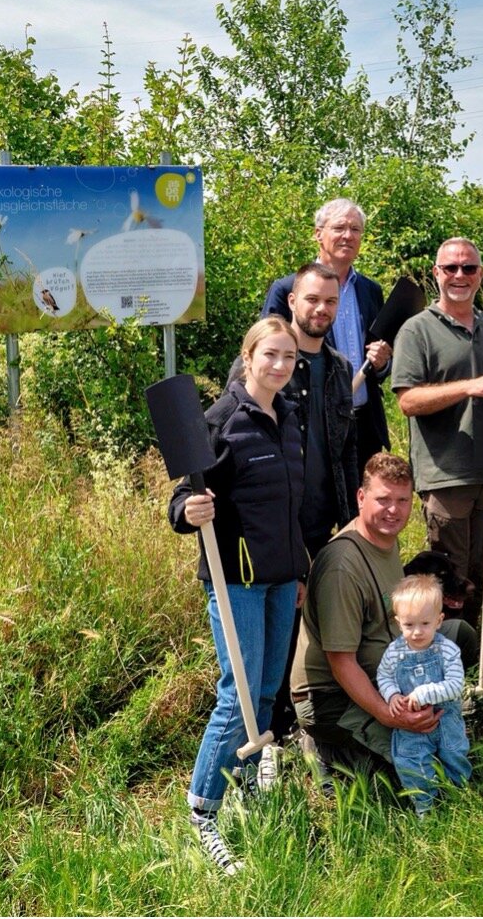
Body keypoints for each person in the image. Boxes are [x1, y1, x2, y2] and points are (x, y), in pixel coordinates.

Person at [168, 316, 307, 875]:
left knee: (269, 690)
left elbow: (292, 504)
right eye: (269, 355)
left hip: (280, 579)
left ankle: (248, 784)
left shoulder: (288, 418)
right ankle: (203, 811)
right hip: (237, 584)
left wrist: (298, 569)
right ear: (247, 358)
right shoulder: (220, 422)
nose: (279, 365)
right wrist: (188, 511)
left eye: (289, 358)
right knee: (240, 695)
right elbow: (183, 500)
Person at [230, 262, 358, 747]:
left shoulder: (341, 368)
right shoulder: (267, 364)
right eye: (312, 300)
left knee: (312, 632)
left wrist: (351, 524)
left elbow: (344, 449)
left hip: (326, 523)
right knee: (267, 646)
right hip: (273, 531)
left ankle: (302, 729)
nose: (321, 309)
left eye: (330, 302)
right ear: (292, 302)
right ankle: (263, 737)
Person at [289, 453, 478, 782]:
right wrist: (391, 718)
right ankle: (323, 748)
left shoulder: (385, 539)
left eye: (402, 500)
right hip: (331, 696)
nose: (394, 510)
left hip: (389, 665)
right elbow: (340, 661)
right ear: (361, 497)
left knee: (458, 634)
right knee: (424, 774)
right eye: (383, 499)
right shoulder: (342, 566)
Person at [392, 238, 483, 621]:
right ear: (436, 273)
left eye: (468, 268)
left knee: (480, 578)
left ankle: (476, 658)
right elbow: (408, 400)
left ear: (480, 274)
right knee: (449, 579)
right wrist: (469, 386)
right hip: (446, 475)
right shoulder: (417, 330)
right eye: (450, 268)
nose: (459, 275)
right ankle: (447, 663)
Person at [261, 198, 391, 480]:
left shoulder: (370, 290)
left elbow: (380, 363)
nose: (348, 235)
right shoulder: (287, 289)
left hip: (364, 423)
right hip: (314, 424)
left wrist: (382, 363)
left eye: (355, 229)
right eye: (340, 227)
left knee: (362, 513)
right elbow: (267, 352)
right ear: (318, 233)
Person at [376, 574, 470, 814]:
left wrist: (425, 692)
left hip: (445, 718)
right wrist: (392, 695)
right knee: (412, 763)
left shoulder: (447, 650)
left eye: (425, 624)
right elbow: (384, 677)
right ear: (399, 623)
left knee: (454, 755)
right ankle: (424, 807)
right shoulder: (394, 652)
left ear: (439, 621)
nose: (417, 632)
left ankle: (458, 799)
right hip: (409, 722)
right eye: (409, 625)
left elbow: (455, 685)